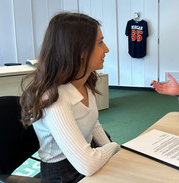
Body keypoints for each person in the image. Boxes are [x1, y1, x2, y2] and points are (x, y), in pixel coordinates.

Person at [20, 12, 120, 182]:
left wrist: (116, 152)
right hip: (63, 174)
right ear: (80, 50)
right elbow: (87, 165)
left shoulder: (84, 81)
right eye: (100, 43)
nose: (106, 49)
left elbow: (92, 122)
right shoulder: (53, 99)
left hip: (85, 154)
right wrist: (114, 147)